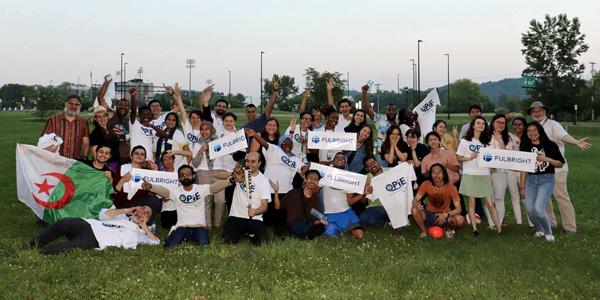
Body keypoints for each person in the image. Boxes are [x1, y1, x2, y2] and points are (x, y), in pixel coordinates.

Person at [528, 101, 592, 234]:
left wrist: (575, 142)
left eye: (540, 110)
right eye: (534, 111)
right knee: (544, 199)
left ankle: (570, 227)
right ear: (531, 113)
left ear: (545, 112)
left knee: (561, 196)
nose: (537, 113)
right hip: (539, 169)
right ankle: (550, 224)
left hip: (557, 168)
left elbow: (564, 136)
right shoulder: (531, 127)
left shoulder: (553, 124)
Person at [143, 165, 233, 247]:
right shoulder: (176, 191)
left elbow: (215, 187)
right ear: (179, 179)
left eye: (188, 174)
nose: (186, 176)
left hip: (199, 226)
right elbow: (164, 192)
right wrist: (151, 186)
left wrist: (230, 181)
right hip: (182, 226)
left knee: (204, 245)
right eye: (183, 175)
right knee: (170, 246)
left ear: (193, 176)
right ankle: (174, 230)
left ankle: (189, 237)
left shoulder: (201, 189)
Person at [28, 206, 158, 255]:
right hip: (89, 225)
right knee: (64, 222)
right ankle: (29, 246)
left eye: (147, 213)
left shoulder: (140, 234)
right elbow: (104, 215)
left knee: (67, 247)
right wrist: (126, 210)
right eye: (142, 209)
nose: (142, 212)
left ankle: (38, 252)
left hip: (96, 239)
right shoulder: (122, 217)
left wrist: (144, 225)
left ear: (148, 219)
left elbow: (155, 242)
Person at [246, 130, 304, 232]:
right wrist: (255, 135)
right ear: (280, 144)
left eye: (290, 143)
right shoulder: (274, 150)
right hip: (269, 191)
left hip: (286, 192)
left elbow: (302, 168)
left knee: (282, 219)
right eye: (284, 143)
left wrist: (307, 168)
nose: (287, 145)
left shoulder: (296, 159)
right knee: (267, 219)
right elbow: (264, 143)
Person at [519, 122, 566, 242]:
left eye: (534, 130)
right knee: (530, 209)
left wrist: (547, 159)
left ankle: (549, 233)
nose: (532, 133)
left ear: (540, 131)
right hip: (531, 179)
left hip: (546, 179)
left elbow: (560, 163)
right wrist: (522, 187)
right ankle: (539, 229)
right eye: (529, 131)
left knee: (539, 209)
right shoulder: (525, 146)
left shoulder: (550, 145)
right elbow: (524, 169)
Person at [456, 116, 502, 235]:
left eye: (483, 123)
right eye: (478, 123)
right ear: (473, 125)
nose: (481, 125)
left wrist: (492, 166)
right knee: (472, 202)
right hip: (470, 174)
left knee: (490, 203)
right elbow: (458, 157)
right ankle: (474, 229)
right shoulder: (465, 141)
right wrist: (470, 157)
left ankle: (499, 228)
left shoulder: (486, 144)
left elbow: (491, 160)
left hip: (484, 175)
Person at [222, 152, 272, 245]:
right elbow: (221, 176)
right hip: (236, 216)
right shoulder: (240, 173)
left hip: (255, 218)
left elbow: (264, 206)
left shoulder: (263, 181)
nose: (249, 164)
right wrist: (232, 177)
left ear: (259, 163)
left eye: (253, 161)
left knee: (262, 243)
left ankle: (248, 233)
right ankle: (243, 233)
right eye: (247, 161)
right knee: (227, 241)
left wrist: (255, 211)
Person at [411, 164, 465, 238]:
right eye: (434, 172)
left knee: (460, 219)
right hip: (429, 214)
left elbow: (459, 209)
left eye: (439, 172)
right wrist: (417, 204)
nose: (436, 175)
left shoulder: (451, 187)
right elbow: (415, 200)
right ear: (431, 174)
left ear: (444, 174)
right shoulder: (426, 184)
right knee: (414, 209)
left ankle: (448, 230)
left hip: (445, 215)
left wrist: (446, 215)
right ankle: (424, 231)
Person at [272, 169, 327, 240]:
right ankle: (301, 236)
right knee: (280, 226)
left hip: (306, 225)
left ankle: (296, 236)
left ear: (317, 182)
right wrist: (276, 192)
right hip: (292, 225)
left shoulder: (316, 200)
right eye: (310, 178)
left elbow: (313, 222)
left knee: (321, 227)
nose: (312, 181)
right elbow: (278, 207)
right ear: (305, 180)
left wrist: (320, 221)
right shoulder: (293, 192)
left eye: (315, 180)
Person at [321, 152, 366, 238]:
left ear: (345, 163)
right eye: (337, 157)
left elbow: (350, 202)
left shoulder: (350, 178)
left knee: (360, 235)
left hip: (346, 212)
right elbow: (315, 188)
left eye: (342, 158)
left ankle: (346, 228)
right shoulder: (325, 173)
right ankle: (340, 229)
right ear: (333, 162)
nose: (339, 159)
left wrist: (364, 193)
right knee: (331, 235)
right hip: (330, 214)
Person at [190, 121, 223, 229]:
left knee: (220, 200)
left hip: (218, 172)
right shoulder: (198, 143)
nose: (204, 131)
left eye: (206, 129)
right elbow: (195, 163)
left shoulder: (220, 142)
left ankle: (217, 224)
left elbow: (229, 153)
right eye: (202, 129)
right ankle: (208, 225)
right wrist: (201, 150)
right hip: (203, 173)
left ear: (211, 130)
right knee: (206, 200)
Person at [488, 114, 519, 226]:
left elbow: (505, 155)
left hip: (501, 172)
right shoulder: (485, 136)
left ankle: (499, 223)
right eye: (498, 122)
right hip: (485, 172)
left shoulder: (508, 138)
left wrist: (500, 139)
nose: (500, 125)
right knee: (488, 199)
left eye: (503, 123)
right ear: (492, 123)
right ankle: (491, 224)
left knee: (499, 198)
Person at [113, 146, 162, 215]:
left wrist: (155, 172)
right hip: (122, 205)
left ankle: (147, 224)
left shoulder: (147, 172)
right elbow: (115, 191)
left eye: (142, 154)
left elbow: (156, 191)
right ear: (131, 156)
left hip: (140, 204)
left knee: (155, 200)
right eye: (136, 153)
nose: (139, 156)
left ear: (144, 159)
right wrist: (123, 180)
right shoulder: (122, 168)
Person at [41, 94, 89, 160]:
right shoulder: (53, 120)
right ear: (66, 104)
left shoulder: (83, 122)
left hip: (74, 162)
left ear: (80, 106)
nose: (73, 106)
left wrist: (84, 157)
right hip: (56, 160)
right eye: (71, 103)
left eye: (77, 104)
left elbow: (85, 142)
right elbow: (44, 139)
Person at [97, 77, 131, 165]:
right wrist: (106, 82)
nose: (123, 107)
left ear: (129, 108)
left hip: (126, 157)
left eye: (126, 105)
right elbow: (100, 97)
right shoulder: (111, 114)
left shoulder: (128, 120)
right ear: (116, 106)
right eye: (121, 105)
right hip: (111, 157)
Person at [128, 87, 165, 162]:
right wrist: (133, 96)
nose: (146, 116)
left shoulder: (151, 127)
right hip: (136, 159)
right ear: (139, 115)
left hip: (149, 160)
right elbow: (133, 110)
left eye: (148, 114)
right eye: (143, 114)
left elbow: (163, 135)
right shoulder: (134, 124)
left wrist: (152, 125)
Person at [508, 117, 532, 226]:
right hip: (511, 170)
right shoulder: (509, 137)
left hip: (524, 171)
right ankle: (519, 222)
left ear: (524, 126)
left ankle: (531, 221)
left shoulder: (529, 138)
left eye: (520, 124)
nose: (517, 126)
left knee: (525, 196)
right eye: (515, 124)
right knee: (514, 196)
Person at [362, 84, 398, 152]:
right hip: (382, 154)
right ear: (386, 112)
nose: (391, 112)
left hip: (396, 154)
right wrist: (364, 94)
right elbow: (368, 110)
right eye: (389, 110)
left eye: (393, 110)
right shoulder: (380, 119)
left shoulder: (399, 124)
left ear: (396, 112)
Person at [360, 156, 392, 228]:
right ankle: (385, 222)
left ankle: (392, 220)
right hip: (375, 207)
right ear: (366, 169)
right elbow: (362, 202)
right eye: (368, 165)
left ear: (378, 162)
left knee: (370, 219)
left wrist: (408, 164)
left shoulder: (390, 171)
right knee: (362, 220)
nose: (372, 166)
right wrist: (366, 193)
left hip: (392, 205)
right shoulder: (365, 179)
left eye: (373, 163)